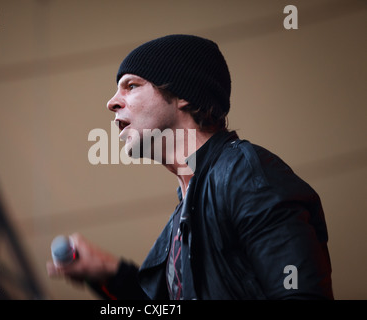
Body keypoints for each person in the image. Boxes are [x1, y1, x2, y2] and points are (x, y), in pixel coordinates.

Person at [46, 34, 334, 300]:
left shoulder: (245, 175)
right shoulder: (185, 214)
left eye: (131, 85)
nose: (111, 102)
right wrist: (111, 273)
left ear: (184, 94)